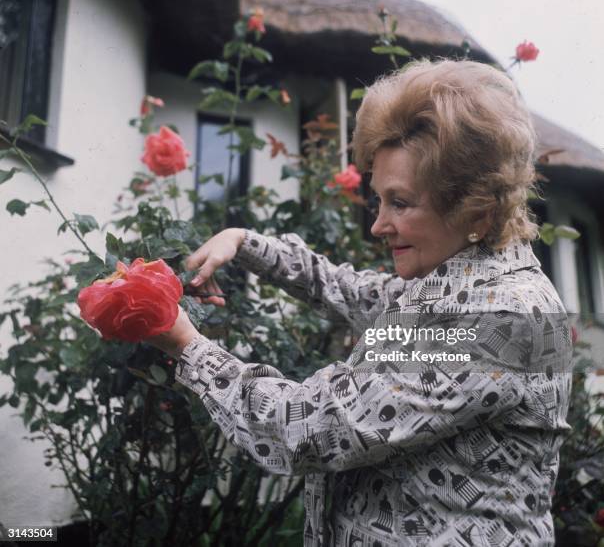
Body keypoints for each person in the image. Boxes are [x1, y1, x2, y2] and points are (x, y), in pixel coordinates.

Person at [150, 59, 571, 546]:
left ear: (474, 206)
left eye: (401, 203)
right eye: (378, 200)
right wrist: (244, 243)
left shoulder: (502, 319)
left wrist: (187, 347)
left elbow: (308, 430)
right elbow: (355, 291)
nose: (377, 224)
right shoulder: (458, 281)